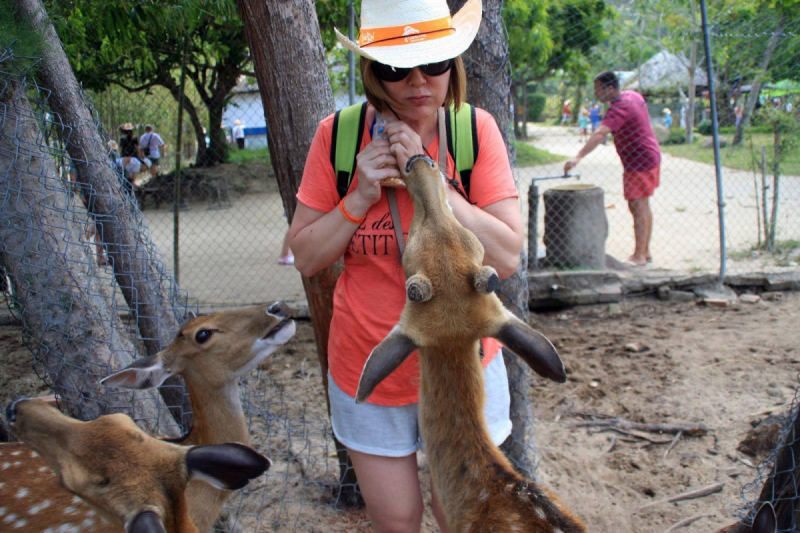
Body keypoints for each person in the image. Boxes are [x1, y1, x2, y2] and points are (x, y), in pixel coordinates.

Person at [288, 0, 522, 530]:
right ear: (374, 73)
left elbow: (507, 254)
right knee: (396, 521)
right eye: (397, 68)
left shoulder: (473, 132)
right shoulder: (338, 137)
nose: (418, 82)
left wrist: (429, 178)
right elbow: (305, 255)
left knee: (462, 516)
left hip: (463, 371)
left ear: (454, 65)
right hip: (370, 369)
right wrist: (358, 195)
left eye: (434, 64)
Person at [564, 71, 661, 267]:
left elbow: (600, 133)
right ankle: (646, 251)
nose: (596, 94)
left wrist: (578, 157)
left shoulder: (621, 107)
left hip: (639, 162)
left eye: (598, 89)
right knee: (644, 206)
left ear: (610, 88)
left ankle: (639, 256)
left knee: (638, 208)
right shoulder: (633, 96)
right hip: (649, 157)